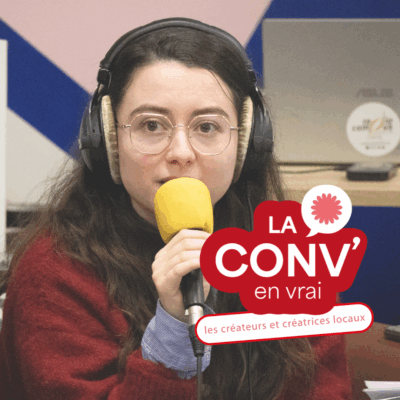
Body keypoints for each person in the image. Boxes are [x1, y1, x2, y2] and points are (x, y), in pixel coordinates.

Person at [0, 18, 352, 400]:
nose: (181, 153)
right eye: (152, 125)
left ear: (248, 145)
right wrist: (172, 336)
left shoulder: (290, 256)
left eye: (207, 127)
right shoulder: (52, 271)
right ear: (108, 141)